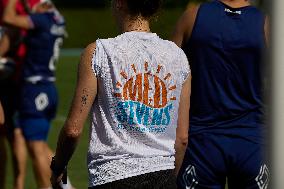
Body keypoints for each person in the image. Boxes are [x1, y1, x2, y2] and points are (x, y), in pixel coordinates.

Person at [50, 0, 191, 188]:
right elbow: (182, 139)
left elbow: (73, 131)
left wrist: (58, 167)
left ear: (120, 3)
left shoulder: (99, 53)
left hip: (112, 176)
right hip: (164, 176)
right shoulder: (178, 57)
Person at [171, 0, 269, 188]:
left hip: (201, 145)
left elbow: (165, 74)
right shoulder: (266, 24)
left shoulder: (191, 17)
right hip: (252, 144)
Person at [3, 0, 71, 188]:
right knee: (40, 146)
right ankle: (66, 185)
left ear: (42, 6)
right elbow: (35, 16)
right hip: (48, 88)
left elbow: (8, 18)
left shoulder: (41, 20)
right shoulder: (56, 20)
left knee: (35, 147)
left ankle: (48, 186)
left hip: (35, 90)